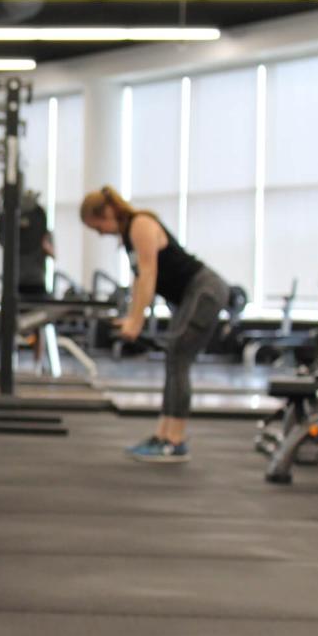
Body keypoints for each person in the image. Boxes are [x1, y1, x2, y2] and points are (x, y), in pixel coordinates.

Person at [80, 186, 230, 463]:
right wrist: (132, 316)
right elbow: (139, 281)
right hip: (190, 295)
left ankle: (175, 439)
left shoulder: (141, 224)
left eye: (98, 226)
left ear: (107, 212)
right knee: (174, 358)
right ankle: (164, 435)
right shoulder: (129, 236)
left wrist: (137, 321)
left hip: (204, 290)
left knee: (179, 357)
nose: (100, 233)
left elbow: (149, 274)